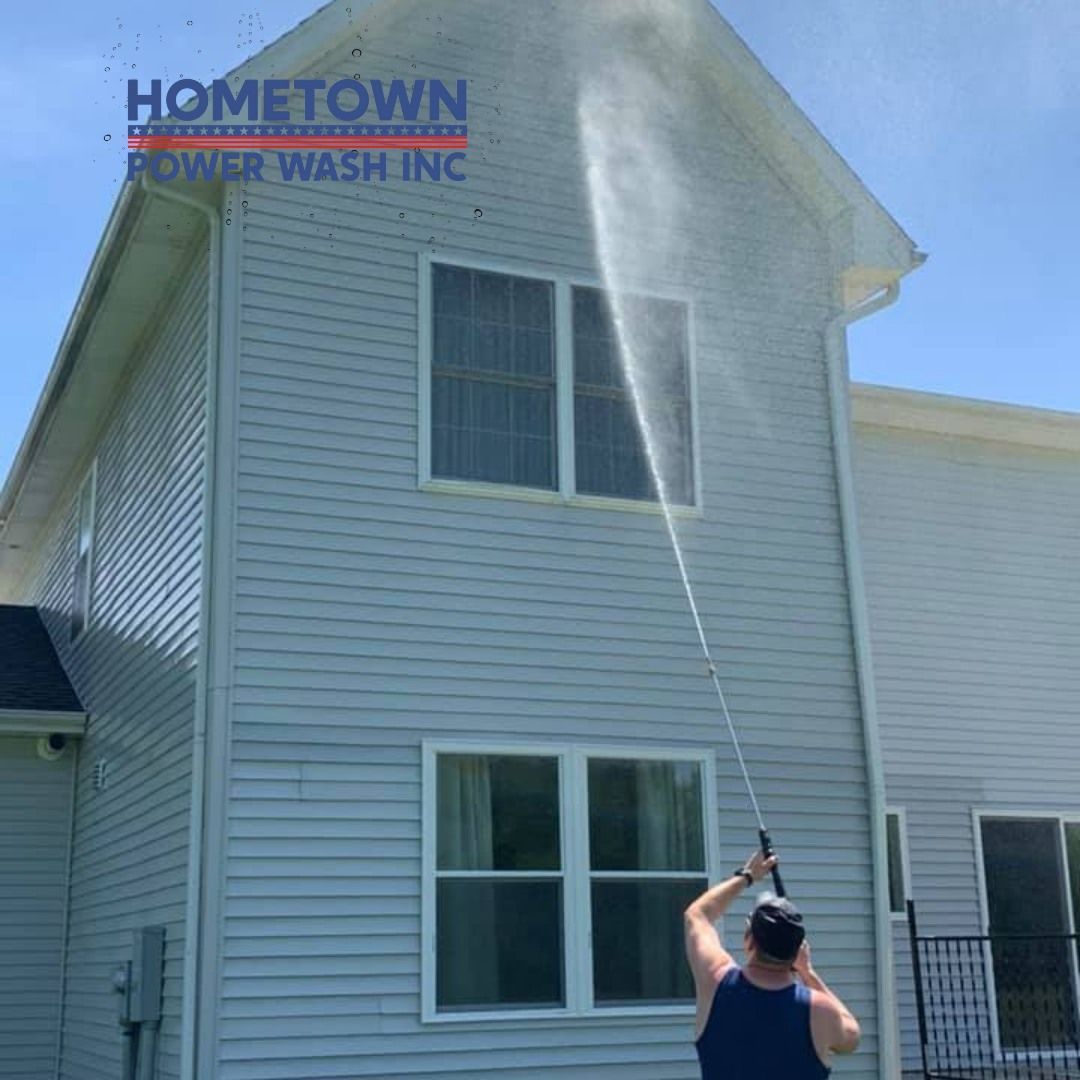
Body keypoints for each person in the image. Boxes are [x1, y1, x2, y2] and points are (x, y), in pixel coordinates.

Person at [683, 850, 861, 1079]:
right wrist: (808, 972)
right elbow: (852, 1037)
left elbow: (697, 915)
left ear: (749, 940)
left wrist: (747, 876)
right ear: (797, 952)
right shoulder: (820, 1010)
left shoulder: (716, 981)